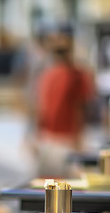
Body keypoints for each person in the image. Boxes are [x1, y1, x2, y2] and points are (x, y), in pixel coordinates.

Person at [30, 26, 95, 178]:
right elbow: (40, 108)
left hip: (67, 138)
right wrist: (35, 136)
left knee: (62, 187)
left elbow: (81, 107)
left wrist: (79, 137)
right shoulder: (47, 74)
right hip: (50, 138)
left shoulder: (77, 74)